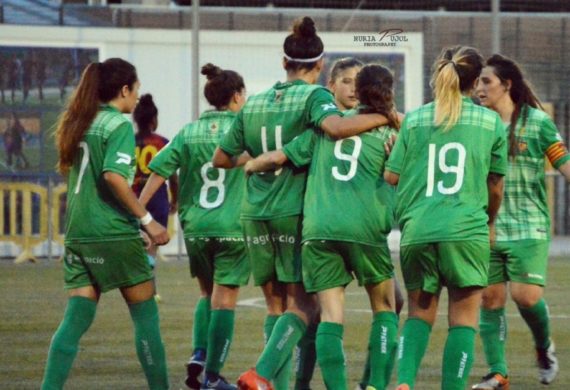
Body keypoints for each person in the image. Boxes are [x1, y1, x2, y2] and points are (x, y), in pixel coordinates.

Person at [213, 16, 392, 390]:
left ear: (283, 62)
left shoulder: (256, 102)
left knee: (278, 308)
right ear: (322, 67)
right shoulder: (317, 99)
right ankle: (280, 379)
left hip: (255, 211)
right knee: (309, 307)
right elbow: (335, 129)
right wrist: (389, 116)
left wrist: (256, 160)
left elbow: (221, 158)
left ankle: (274, 383)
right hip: (296, 211)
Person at [244, 64, 401, 390]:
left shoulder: (324, 130)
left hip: (319, 229)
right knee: (386, 306)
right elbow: (402, 177)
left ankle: (265, 375)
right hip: (365, 228)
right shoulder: (393, 133)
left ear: (358, 90)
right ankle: (375, 386)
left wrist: (251, 163)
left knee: (330, 315)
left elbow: (278, 158)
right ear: (389, 93)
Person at [40, 58, 170, 390]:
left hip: (79, 234)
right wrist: (147, 221)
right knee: (145, 317)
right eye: (136, 89)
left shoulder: (80, 123)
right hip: (111, 233)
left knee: (75, 320)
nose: (138, 97)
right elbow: (113, 177)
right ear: (123, 90)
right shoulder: (118, 126)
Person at [384, 46, 508, 390]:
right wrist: (489, 221)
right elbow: (495, 185)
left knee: (419, 315)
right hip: (466, 229)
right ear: (474, 83)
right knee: (463, 320)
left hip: (418, 229)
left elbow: (391, 177)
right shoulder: (490, 121)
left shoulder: (415, 119)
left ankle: (405, 383)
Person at [140, 63, 250, 390]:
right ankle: (213, 377)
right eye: (243, 95)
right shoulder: (244, 130)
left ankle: (200, 353)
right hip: (232, 225)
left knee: (206, 293)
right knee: (225, 299)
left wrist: (140, 210)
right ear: (235, 97)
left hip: (196, 226)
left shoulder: (188, 132)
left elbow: (158, 170)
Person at [471, 54, 570, 390]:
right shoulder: (477, 123)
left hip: (528, 225)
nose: (479, 87)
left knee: (526, 297)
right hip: (485, 227)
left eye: (486, 81)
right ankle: (498, 372)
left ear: (506, 85)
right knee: (489, 299)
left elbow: (562, 159)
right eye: (478, 81)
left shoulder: (537, 122)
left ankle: (543, 347)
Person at [132, 93, 179, 302]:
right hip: (157, 199)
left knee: (135, 245)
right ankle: (151, 290)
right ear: (154, 119)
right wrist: (175, 199)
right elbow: (172, 175)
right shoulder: (162, 143)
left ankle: (139, 290)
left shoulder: (128, 142)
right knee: (151, 248)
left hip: (133, 199)